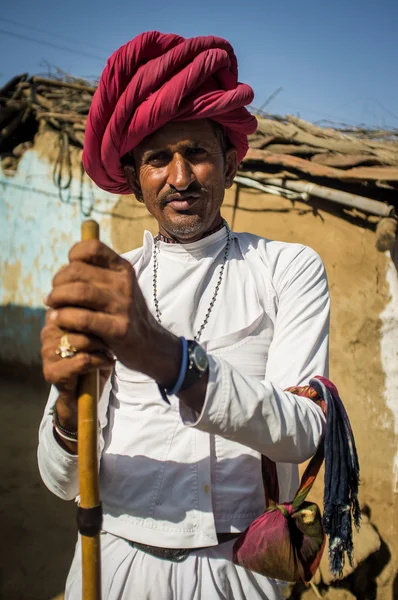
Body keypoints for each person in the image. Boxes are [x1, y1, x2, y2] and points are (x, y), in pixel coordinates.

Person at [38, 31, 330, 600]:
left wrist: (165, 356)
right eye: (157, 159)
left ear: (229, 162)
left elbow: (302, 431)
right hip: (113, 564)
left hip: (237, 571)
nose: (179, 177)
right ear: (134, 178)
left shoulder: (287, 268)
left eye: (196, 152)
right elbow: (58, 479)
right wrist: (71, 419)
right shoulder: (108, 279)